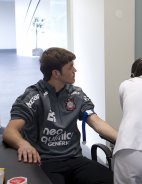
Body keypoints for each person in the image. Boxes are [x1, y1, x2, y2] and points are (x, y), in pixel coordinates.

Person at [3, 47, 117, 184]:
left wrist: (123, 140)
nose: (75, 70)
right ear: (56, 73)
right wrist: (23, 144)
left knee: (111, 180)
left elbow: (97, 122)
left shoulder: (76, 94)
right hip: (45, 162)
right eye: (70, 67)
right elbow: (10, 130)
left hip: (74, 159)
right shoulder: (33, 95)